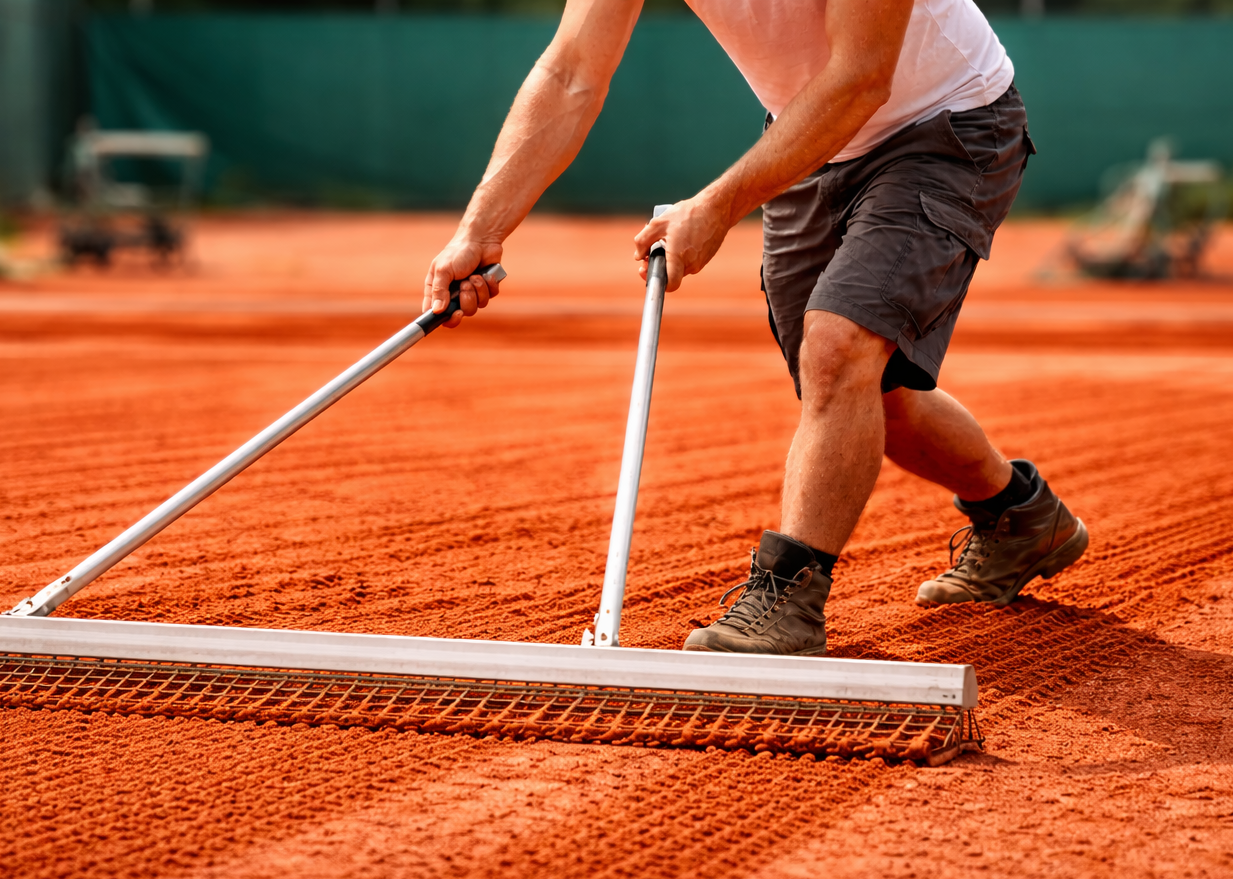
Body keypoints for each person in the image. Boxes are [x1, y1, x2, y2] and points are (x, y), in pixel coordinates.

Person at [424, 0, 1088, 656]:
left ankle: (787, 603)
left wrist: (717, 204)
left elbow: (861, 75)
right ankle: (1020, 515)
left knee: (840, 348)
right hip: (813, 134)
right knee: (867, 393)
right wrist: (480, 231)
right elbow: (571, 71)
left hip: (944, 123)